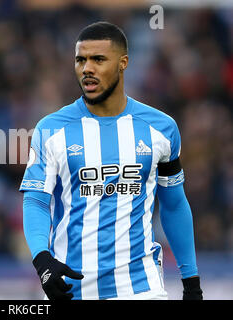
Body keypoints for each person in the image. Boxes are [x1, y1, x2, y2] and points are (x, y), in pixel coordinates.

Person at [20, 21, 203, 300]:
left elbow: (174, 204)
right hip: (70, 290)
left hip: (141, 289)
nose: (87, 68)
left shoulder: (162, 128)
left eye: (98, 59)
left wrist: (191, 282)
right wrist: (42, 260)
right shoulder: (49, 129)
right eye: (80, 60)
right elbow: (35, 200)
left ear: (123, 63)